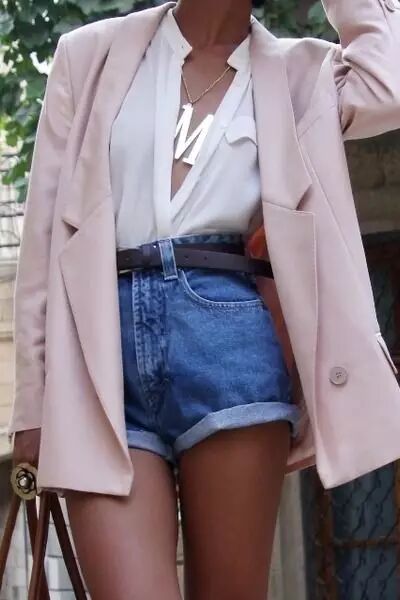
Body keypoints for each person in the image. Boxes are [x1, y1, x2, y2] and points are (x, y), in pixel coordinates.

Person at [9, 0, 400, 598]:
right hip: (99, 349)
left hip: (230, 339)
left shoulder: (301, 74)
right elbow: (43, 238)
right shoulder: (90, 56)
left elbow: (387, 81)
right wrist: (33, 406)